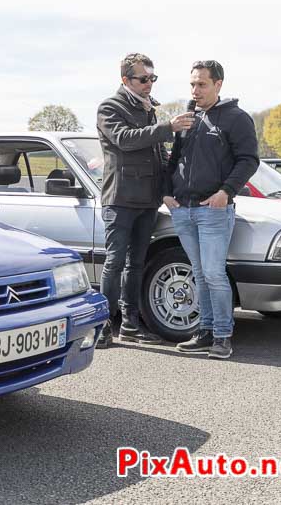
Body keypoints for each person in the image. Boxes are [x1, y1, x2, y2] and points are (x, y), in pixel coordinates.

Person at [95, 53, 195, 348]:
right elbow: (125, 139)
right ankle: (102, 326)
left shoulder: (149, 108)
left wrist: (170, 185)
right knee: (114, 263)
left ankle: (130, 325)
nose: (149, 83)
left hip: (147, 200)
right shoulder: (109, 107)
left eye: (152, 78)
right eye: (143, 79)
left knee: (136, 264)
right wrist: (167, 128)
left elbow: (157, 154)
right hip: (121, 199)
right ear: (126, 80)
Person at [164, 60, 259, 359]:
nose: (195, 90)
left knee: (214, 274)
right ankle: (204, 332)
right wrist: (166, 192)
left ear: (218, 84)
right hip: (183, 210)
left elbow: (248, 160)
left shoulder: (236, 118)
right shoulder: (187, 117)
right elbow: (174, 158)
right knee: (199, 274)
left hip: (214, 210)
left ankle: (222, 336)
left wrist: (225, 192)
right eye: (192, 84)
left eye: (201, 84)